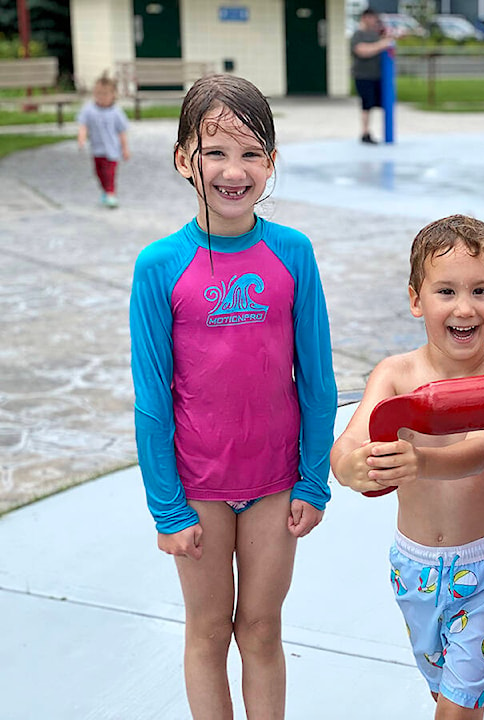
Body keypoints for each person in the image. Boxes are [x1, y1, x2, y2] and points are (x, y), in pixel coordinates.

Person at [129, 74, 337, 719]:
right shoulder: (159, 264)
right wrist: (167, 509)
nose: (233, 170)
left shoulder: (292, 253)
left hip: (275, 482)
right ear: (183, 159)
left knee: (262, 630)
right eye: (215, 152)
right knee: (209, 631)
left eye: (251, 153)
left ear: (271, 163)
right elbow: (151, 399)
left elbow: (319, 380)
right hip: (199, 485)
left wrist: (313, 481)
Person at [331, 214, 484, 717]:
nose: (465, 307)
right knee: (445, 692)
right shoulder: (396, 374)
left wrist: (418, 460)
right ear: (417, 299)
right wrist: (349, 467)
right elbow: (350, 442)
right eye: (446, 291)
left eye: (481, 290)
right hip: (412, 567)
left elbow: (479, 451)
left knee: (458, 706)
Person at [77, 73, 130, 208]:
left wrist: (125, 149)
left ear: (113, 95)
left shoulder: (116, 112)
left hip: (112, 150)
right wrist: (81, 138)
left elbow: (122, 132)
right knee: (99, 172)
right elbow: (83, 124)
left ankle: (111, 193)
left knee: (109, 172)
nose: (102, 97)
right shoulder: (89, 110)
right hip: (97, 149)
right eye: (99, 94)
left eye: (105, 94)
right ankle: (106, 191)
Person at [351, 8, 394, 145]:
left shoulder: (376, 35)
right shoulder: (358, 35)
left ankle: (386, 132)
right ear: (364, 18)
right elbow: (362, 50)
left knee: (383, 103)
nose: (373, 21)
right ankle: (365, 132)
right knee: (367, 105)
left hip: (378, 76)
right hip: (363, 75)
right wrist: (381, 45)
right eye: (371, 18)